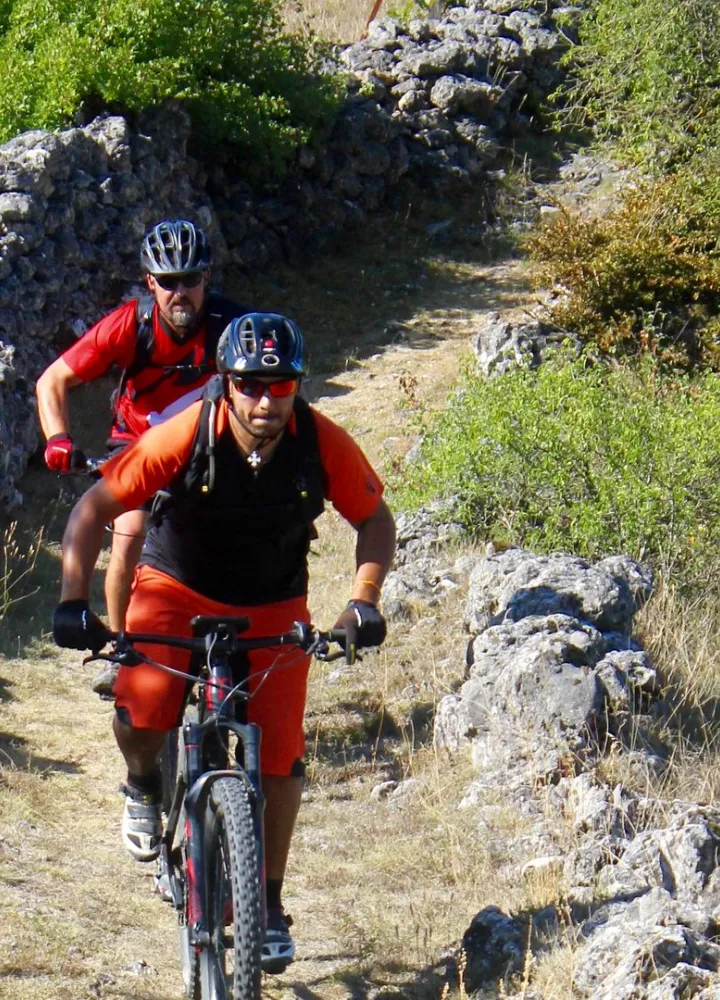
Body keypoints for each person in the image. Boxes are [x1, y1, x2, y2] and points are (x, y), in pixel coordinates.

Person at [52, 312, 396, 972]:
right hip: (177, 586)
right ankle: (143, 785)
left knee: (282, 755)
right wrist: (73, 601)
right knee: (143, 708)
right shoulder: (187, 434)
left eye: (281, 384)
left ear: (298, 384)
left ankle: (266, 903)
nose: (265, 399)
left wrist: (363, 602)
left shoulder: (320, 441)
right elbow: (94, 508)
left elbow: (374, 517)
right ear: (226, 382)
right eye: (249, 385)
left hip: (273, 600)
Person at [37, 218, 247, 695]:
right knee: (128, 532)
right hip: (134, 446)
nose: (180, 293)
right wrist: (57, 438)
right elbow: (52, 380)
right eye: (168, 282)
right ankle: (123, 648)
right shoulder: (131, 324)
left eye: (190, 280)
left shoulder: (229, 327)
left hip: (206, 447)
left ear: (207, 279)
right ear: (150, 282)